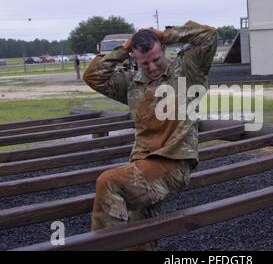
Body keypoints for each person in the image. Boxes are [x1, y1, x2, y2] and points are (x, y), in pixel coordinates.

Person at [83, 21, 218, 251]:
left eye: (156, 59)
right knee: (140, 234)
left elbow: (209, 36)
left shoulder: (187, 71)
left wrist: (165, 34)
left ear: (162, 50)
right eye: (145, 63)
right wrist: (124, 48)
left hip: (174, 164)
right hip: (141, 166)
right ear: (136, 60)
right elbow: (93, 76)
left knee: (108, 182)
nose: (152, 67)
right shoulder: (132, 84)